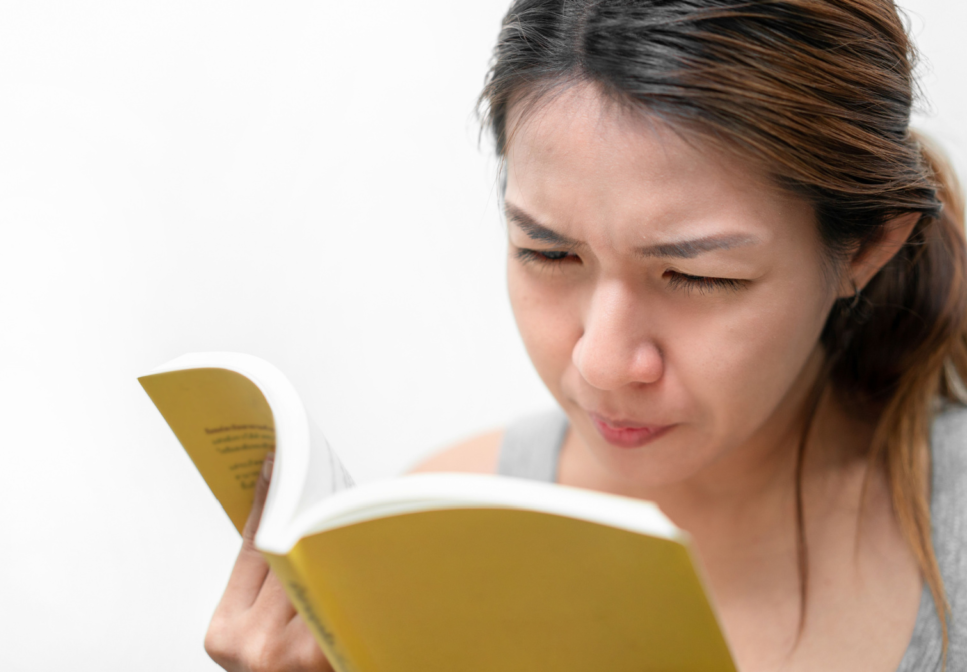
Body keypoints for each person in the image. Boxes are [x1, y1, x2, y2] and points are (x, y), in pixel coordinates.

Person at [203, 1, 966, 670]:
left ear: (865, 250)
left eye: (699, 277)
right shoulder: (441, 528)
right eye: (548, 253)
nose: (600, 364)